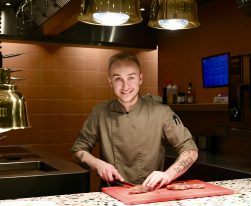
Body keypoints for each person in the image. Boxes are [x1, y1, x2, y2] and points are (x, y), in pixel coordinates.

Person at [71, 52, 198, 190]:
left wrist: (168, 175)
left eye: (131, 77)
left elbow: (190, 149)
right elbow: (78, 149)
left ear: (140, 79)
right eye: (118, 78)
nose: (125, 86)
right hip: (111, 194)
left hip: (151, 192)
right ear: (110, 81)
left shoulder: (162, 112)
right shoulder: (99, 112)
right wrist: (98, 164)